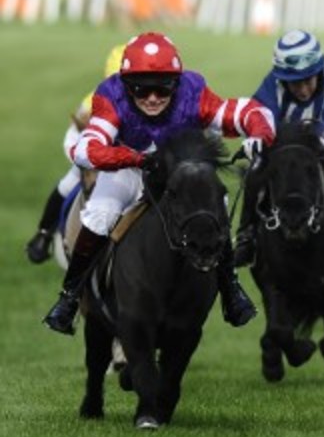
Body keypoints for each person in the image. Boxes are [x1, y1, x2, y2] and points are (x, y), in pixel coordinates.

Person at [42, 32, 276, 335]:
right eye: (141, 88)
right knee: (99, 216)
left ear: (176, 83)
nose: (152, 97)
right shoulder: (110, 95)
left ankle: (231, 290)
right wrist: (134, 158)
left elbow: (251, 112)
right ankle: (69, 298)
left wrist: (259, 136)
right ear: (126, 84)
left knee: (217, 204)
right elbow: (86, 150)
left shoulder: (193, 92)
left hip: (179, 170)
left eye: (162, 87)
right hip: (128, 168)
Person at [233, 29, 324, 267]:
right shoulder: (273, 83)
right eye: (294, 84)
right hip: (286, 145)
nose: (303, 90)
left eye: (308, 80)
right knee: (256, 169)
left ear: (318, 69)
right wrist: (263, 139)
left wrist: (318, 142)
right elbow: (261, 115)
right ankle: (247, 236)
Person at [26, 43, 125, 265]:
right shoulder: (92, 101)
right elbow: (76, 135)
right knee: (67, 185)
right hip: (94, 157)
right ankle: (43, 234)